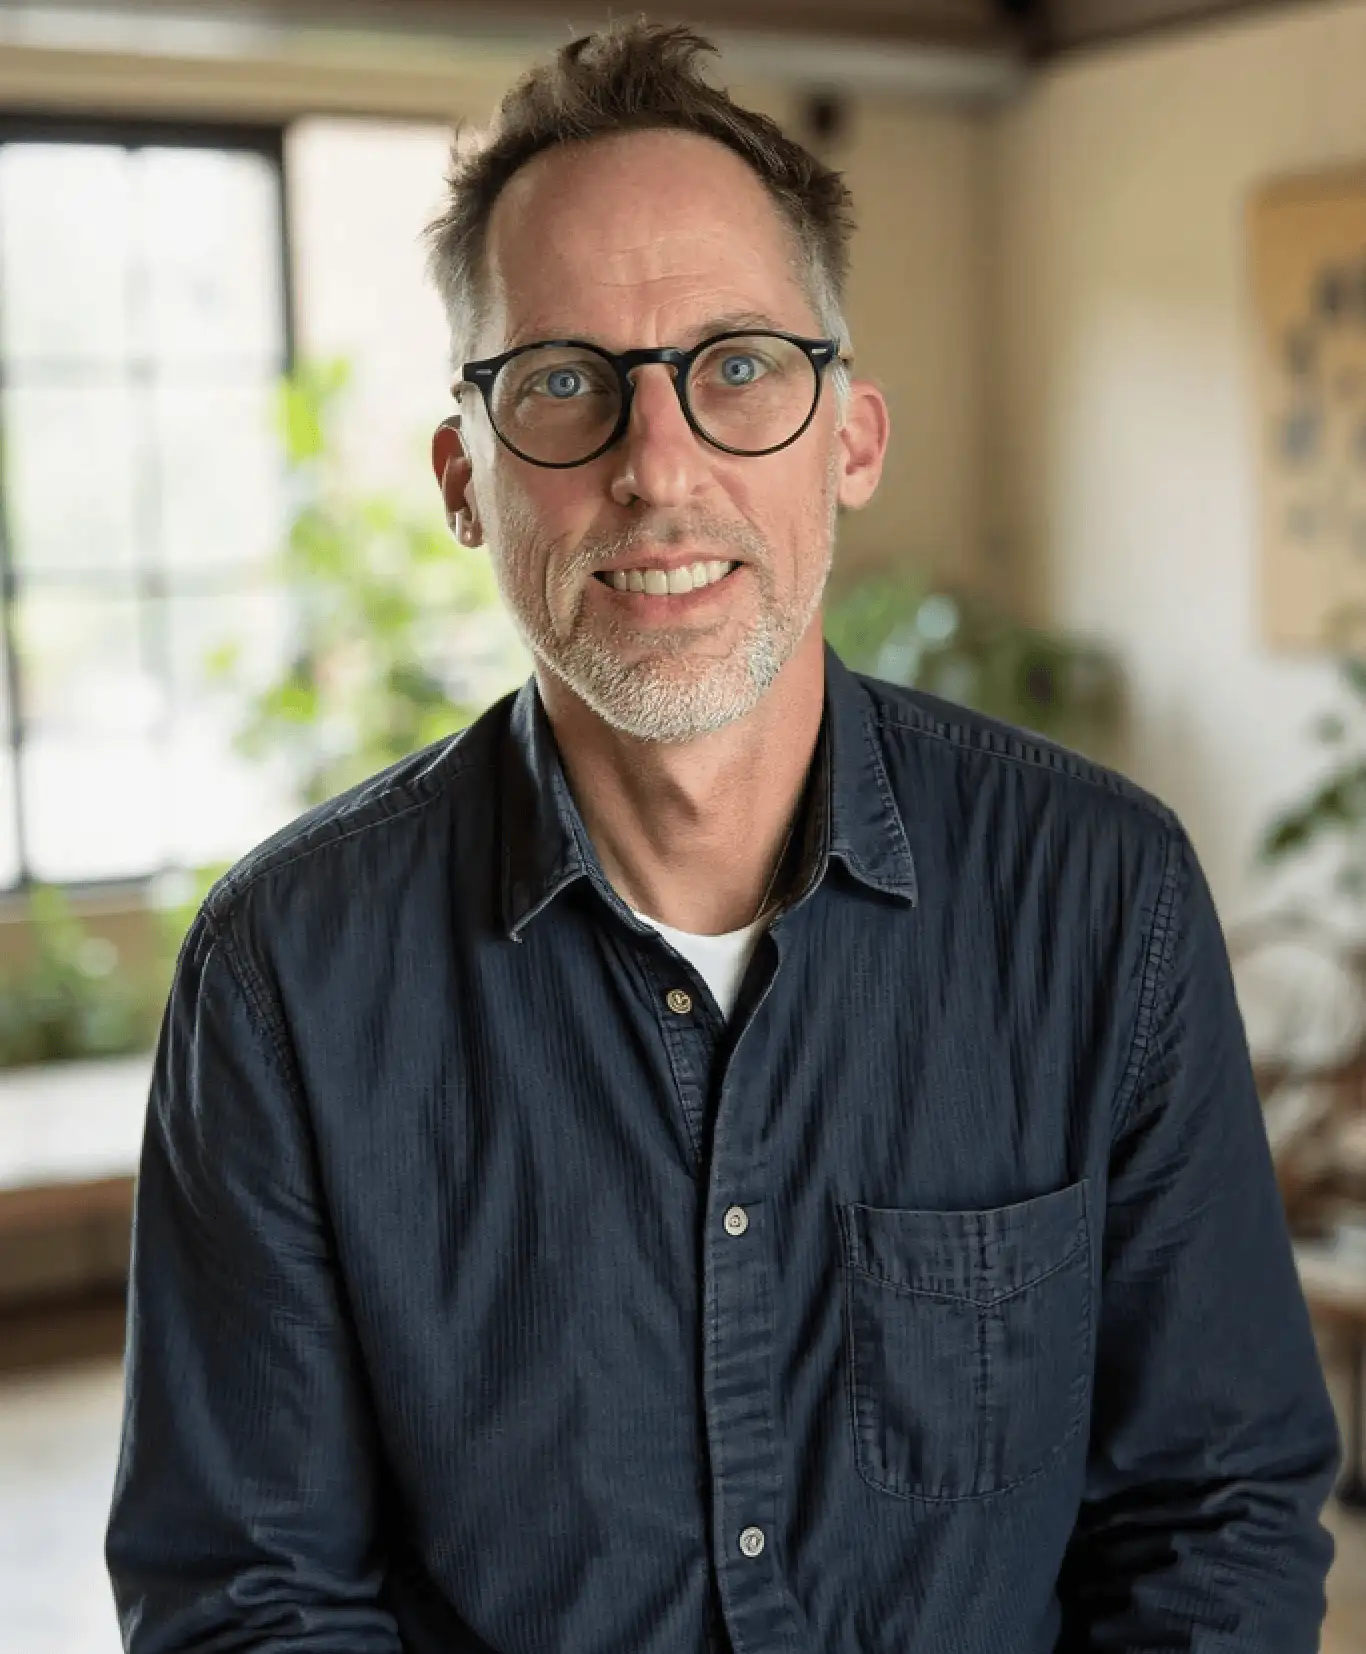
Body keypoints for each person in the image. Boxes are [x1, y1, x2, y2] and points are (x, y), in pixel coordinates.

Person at [106, 21, 1339, 1654]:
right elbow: (249, 1596)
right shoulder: (285, 979)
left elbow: (1218, 1509)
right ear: (462, 479)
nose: (656, 465)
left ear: (851, 438)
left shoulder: (1099, 896)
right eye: (562, 385)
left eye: (737, 366)